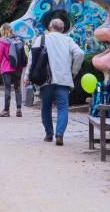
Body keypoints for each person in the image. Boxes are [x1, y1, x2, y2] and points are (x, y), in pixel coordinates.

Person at [27, 18, 83, 146]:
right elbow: (79, 53)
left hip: (46, 80)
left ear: (50, 27)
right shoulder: (68, 40)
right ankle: (59, 134)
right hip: (63, 79)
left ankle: (48, 134)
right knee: (63, 107)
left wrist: (26, 78)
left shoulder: (41, 39)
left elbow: (32, 59)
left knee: (45, 107)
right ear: (63, 29)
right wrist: (74, 71)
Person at [0, 22, 23, 118]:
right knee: (17, 88)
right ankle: (19, 110)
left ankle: (6, 110)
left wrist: (3, 63)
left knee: (7, 88)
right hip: (18, 67)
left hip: (6, 68)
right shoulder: (18, 40)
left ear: (3, 31)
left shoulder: (3, 42)